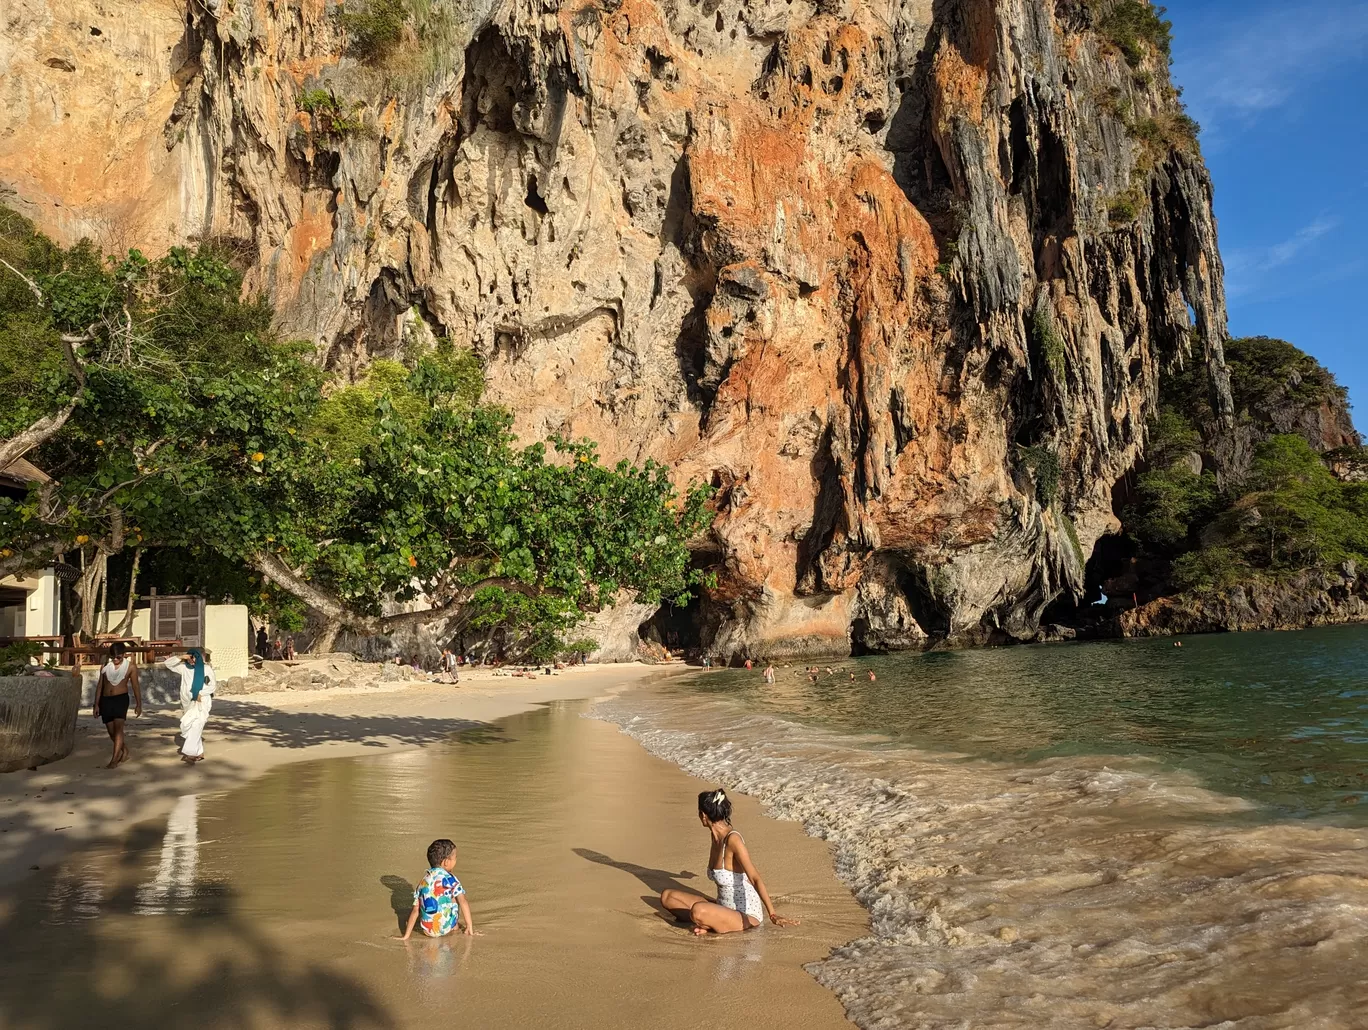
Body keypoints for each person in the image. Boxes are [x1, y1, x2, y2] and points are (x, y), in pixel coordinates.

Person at [659, 789, 799, 935]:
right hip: (723, 906)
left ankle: (708, 923)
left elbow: (755, 878)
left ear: (703, 816)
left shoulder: (733, 840)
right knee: (668, 897)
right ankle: (710, 922)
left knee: (698, 910)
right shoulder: (715, 837)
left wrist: (772, 914)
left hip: (745, 915)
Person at [400, 839, 478, 939]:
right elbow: (463, 902)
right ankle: (455, 927)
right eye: (455, 858)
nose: (456, 860)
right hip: (446, 929)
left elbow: (415, 911)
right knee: (456, 897)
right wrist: (469, 927)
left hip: (427, 931)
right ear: (446, 862)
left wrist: (406, 936)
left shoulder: (423, 881)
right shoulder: (450, 879)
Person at [92, 641, 141, 767]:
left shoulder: (131, 667)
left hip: (121, 699)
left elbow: (135, 686)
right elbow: (100, 686)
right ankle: (124, 749)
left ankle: (114, 759)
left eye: (118, 657)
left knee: (119, 729)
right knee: (111, 731)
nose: (115, 660)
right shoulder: (105, 666)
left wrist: (138, 704)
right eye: (113, 657)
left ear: (124, 655)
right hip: (106, 699)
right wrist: (96, 704)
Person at [164, 649, 216, 765]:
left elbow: (212, 686)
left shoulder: (206, 669)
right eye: (190, 657)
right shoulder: (184, 668)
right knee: (189, 725)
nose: (192, 660)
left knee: (196, 725)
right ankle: (199, 752)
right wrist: (181, 657)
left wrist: (200, 693)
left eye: (194, 658)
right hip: (187, 702)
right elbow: (168, 664)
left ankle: (190, 753)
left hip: (201, 701)